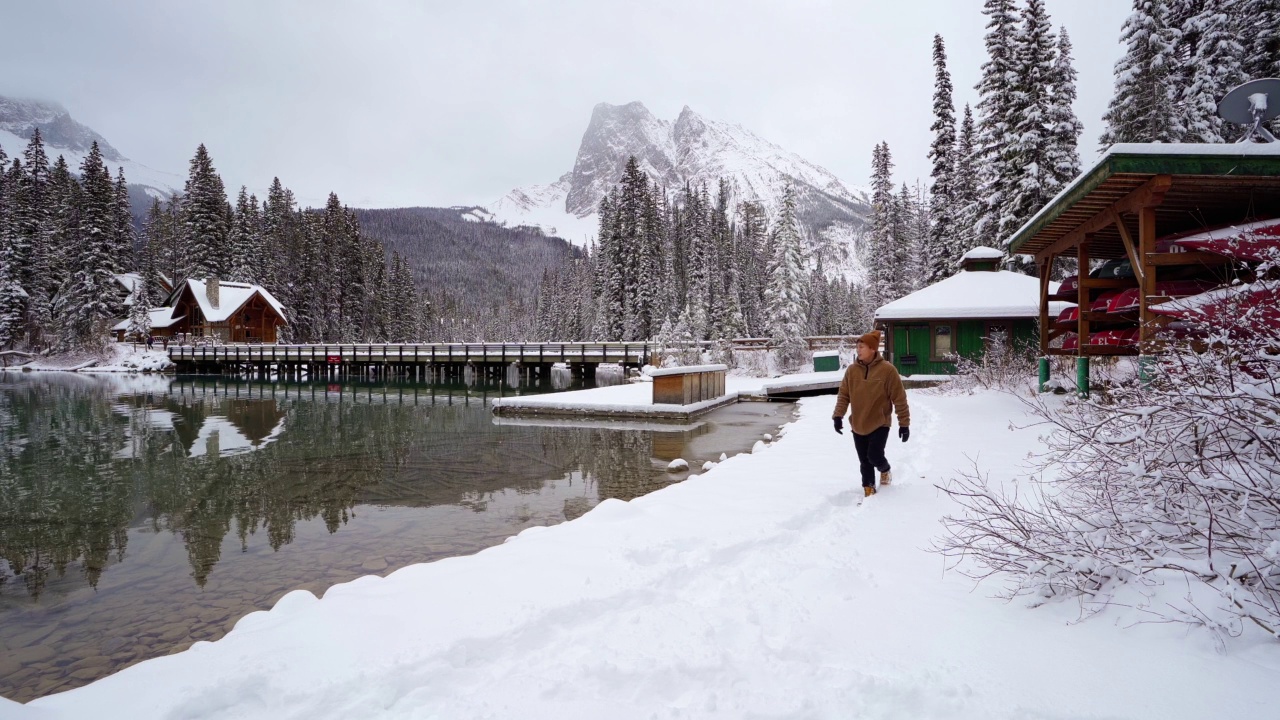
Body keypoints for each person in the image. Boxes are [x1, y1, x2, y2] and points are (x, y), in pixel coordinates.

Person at [831, 330, 910, 497]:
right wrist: (838, 416)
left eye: (862, 347)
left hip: (880, 422)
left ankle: (885, 469)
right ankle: (869, 489)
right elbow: (844, 395)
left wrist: (904, 424)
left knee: (874, 456)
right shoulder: (852, 371)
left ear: (873, 349)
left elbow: (900, 399)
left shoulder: (888, 371)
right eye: (857, 347)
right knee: (864, 462)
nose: (858, 350)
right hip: (858, 423)